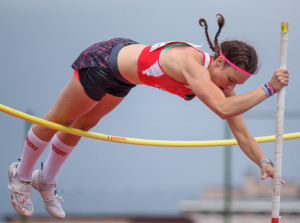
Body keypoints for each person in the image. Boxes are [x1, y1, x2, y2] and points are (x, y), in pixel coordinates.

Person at [8, 14, 289, 219]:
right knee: (59, 119)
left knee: (84, 124)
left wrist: (263, 162)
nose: (231, 88)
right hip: (103, 63)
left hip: (124, 77)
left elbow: (241, 132)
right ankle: (20, 176)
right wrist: (269, 88)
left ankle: (45, 180)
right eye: (230, 80)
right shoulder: (191, 63)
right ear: (217, 61)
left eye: (237, 85)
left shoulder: (218, 85)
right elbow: (224, 109)